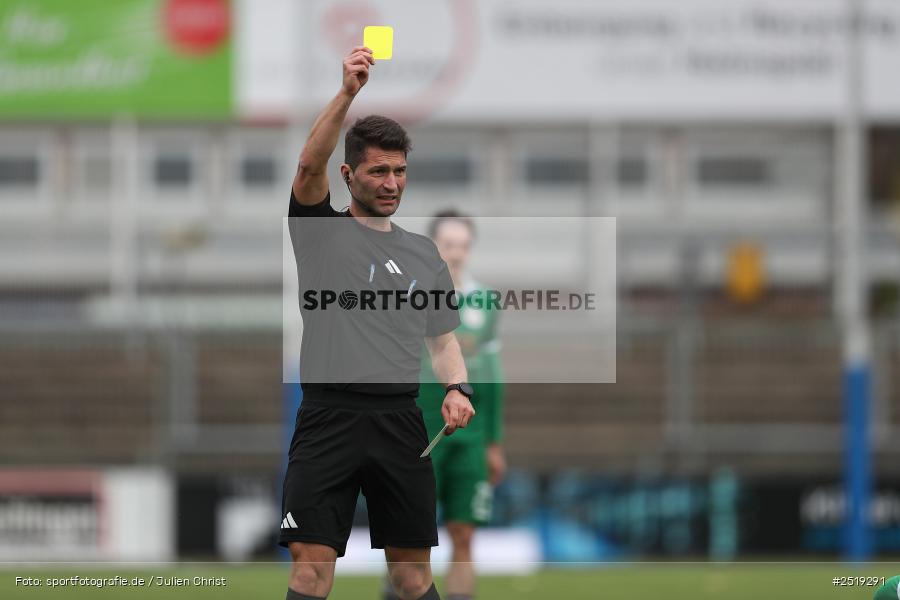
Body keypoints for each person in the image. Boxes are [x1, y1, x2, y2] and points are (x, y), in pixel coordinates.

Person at [279, 46, 476, 600]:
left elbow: (442, 340)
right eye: (378, 170)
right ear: (348, 174)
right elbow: (306, 167)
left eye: (400, 171)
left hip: (400, 424)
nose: (391, 182)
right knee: (311, 573)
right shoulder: (321, 234)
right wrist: (347, 94)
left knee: (412, 578)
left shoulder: (424, 255)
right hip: (327, 420)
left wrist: (457, 387)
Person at [382, 211, 506, 600]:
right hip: (414, 429)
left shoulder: (485, 301)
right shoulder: (407, 296)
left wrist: (493, 441)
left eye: (463, 245)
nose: (456, 254)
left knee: (464, 533)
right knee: (409, 536)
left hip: (470, 435)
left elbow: (492, 374)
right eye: (448, 245)